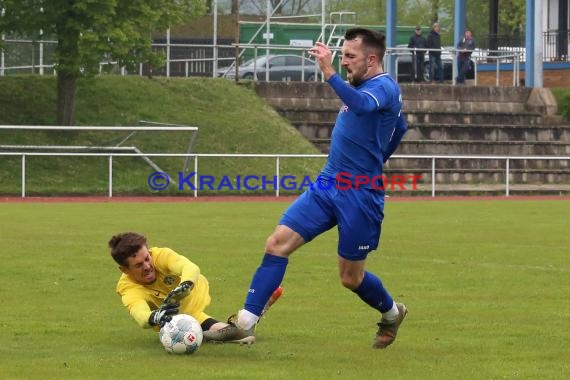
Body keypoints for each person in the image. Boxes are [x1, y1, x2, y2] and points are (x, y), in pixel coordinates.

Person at [229, 27, 409, 349]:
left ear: (371, 59)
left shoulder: (383, 86)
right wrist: (380, 151)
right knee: (276, 243)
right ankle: (245, 322)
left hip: (360, 194)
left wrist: (327, 71)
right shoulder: (360, 85)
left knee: (350, 278)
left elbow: (366, 108)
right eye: (341, 57)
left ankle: (393, 314)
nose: (344, 63)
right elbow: (400, 126)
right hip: (327, 184)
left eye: (350, 57)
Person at [109, 231, 282, 345]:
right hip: (174, 318)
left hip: (194, 294)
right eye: (138, 265)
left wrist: (185, 285)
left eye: (147, 258)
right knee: (239, 335)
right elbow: (139, 313)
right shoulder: (127, 287)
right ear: (124, 270)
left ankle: (249, 317)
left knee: (199, 328)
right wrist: (155, 316)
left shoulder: (161, 255)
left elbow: (189, 268)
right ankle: (252, 315)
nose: (147, 266)